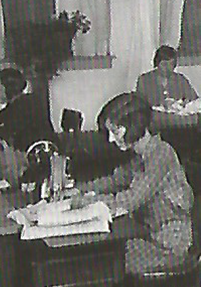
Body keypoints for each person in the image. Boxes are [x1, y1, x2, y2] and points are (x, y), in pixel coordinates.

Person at [69, 92, 194, 274]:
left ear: (134, 125)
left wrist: (89, 202)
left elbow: (130, 200)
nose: (111, 138)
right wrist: (77, 189)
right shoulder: (139, 156)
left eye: (116, 130)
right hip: (147, 235)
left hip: (168, 244)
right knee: (99, 257)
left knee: (102, 263)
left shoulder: (161, 154)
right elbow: (114, 180)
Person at [0, 68, 55, 151]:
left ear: (10, 88)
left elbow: (6, 131)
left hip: (40, 153)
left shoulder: (26, 104)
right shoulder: (18, 103)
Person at [135, 46, 201, 108]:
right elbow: (139, 106)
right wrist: (160, 105)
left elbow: (195, 101)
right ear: (157, 64)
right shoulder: (144, 80)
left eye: (171, 64)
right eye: (164, 64)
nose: (168, 68)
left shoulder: (180, 79)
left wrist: (186, 104)